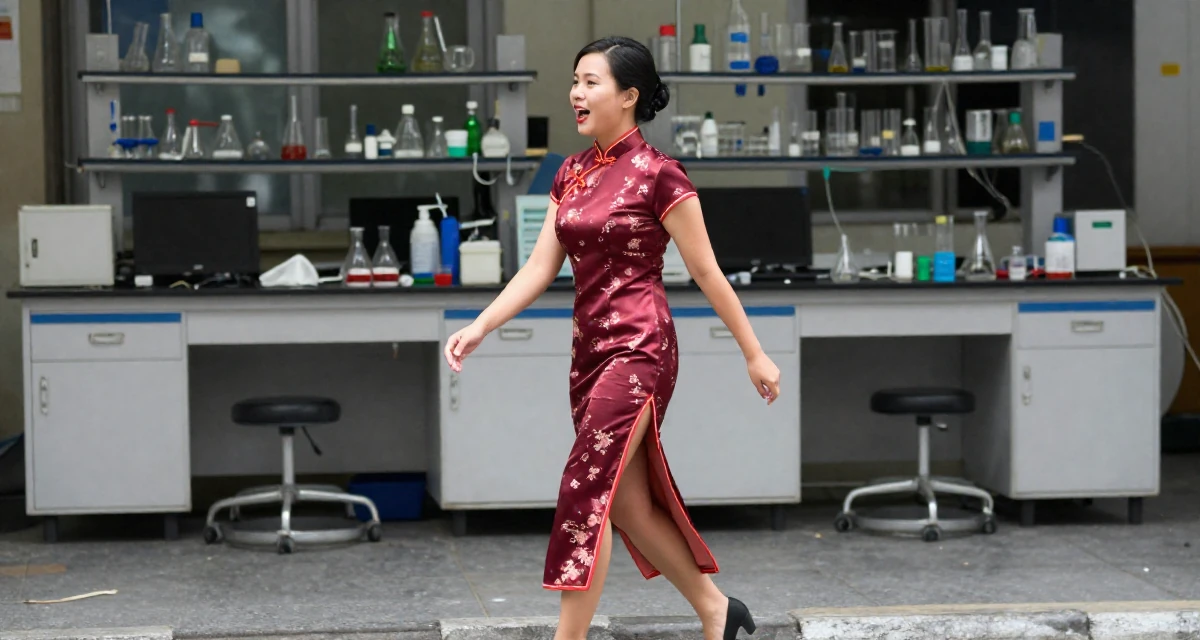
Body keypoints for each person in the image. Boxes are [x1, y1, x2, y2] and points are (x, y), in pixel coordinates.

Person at [443, 36, 782, 640]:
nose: (576, 92)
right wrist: (481, 325)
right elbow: (539, 268)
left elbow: (706, 272)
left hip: (640, 347)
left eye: (591, 82)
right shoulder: (570, 171)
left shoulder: (660, 175)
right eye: (575, 80)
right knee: (623, 504)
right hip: (588, 352)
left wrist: (753, 352)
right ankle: (717, 610)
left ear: (628, 97)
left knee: (584, 492)